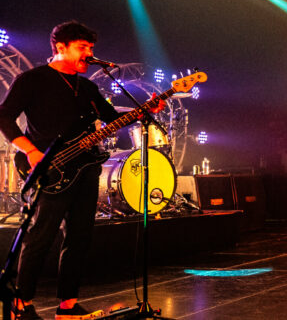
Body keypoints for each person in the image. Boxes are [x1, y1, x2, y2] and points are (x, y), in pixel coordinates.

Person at [0, 21, 164, 320]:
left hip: (86, 169)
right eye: (82, 47)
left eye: (91, 48)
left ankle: (68, 304)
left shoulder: (87, 86)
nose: (89, 53)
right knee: (40, 236)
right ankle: (22, 304)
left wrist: (145, 110)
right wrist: (31, 150)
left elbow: (113, 119)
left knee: (79, 238)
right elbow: (5, 117)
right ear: (60, 47)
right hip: (49, 168)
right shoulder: (32, 80)